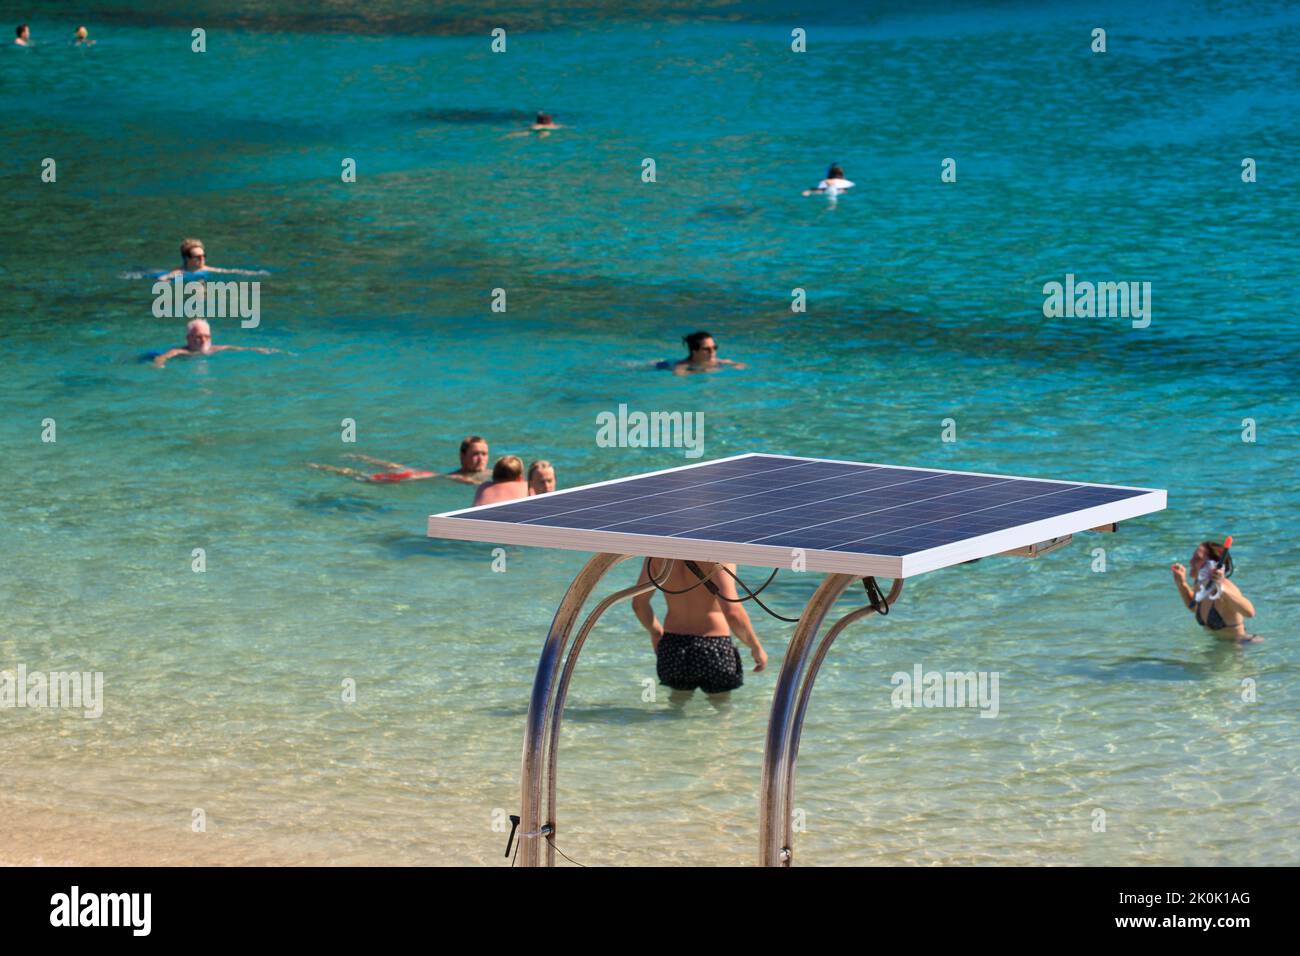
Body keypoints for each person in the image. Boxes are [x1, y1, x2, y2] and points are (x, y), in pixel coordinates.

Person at [632, 558, 766, 705]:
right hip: (714, 647)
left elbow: (639, 603)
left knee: (676, 707)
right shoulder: (717, 554)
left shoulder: (658, 554)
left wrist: (655, 632)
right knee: (722, 712)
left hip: (673, 646)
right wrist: (755, 647)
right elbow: (732, 612)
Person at [1171, 538, 1258, 642]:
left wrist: (1221, 588)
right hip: (1219, 647)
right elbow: (1193, 607)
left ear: (1212, 565)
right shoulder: (1200, 583)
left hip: (1240, 646)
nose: (1191, 561)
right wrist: (1182, 584)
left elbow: (1250, 613)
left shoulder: (1227, 587)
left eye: (1197, 558)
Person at [308, 436, 492, 485]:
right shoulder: (465, 477)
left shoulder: (493, 472)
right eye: (476, 454)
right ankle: (330, 468)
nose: (480, 459)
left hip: (430, 475)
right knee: (369, 478)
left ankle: (359, 457)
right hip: (430, 477)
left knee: (397, 467)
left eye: (484, 454)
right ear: (462, 456)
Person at [152, 318, 280, 368]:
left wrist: (256, 350)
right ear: (189, 338)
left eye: (207, 337)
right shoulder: (181, 352)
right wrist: (159, 364)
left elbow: (236, 348)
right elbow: (162, 357)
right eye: (199, 337)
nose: (203, 340)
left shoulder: (214, 349)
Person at [159, 238, 262, 279]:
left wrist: (250, 273)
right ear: (187, 258)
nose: (202, 259)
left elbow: (228, 271)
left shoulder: (206, 269)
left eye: (204, 256)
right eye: (198, 257)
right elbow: (163, 278)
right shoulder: (180, 272)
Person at [662, 331, 746, 375]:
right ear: (694, 351)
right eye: (707, 349)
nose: (712, 351)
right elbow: (678, 374)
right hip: (663, 365)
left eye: (714, 347)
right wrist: (702, 370)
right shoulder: (684, 365)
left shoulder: (718, 361)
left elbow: (741, 365)